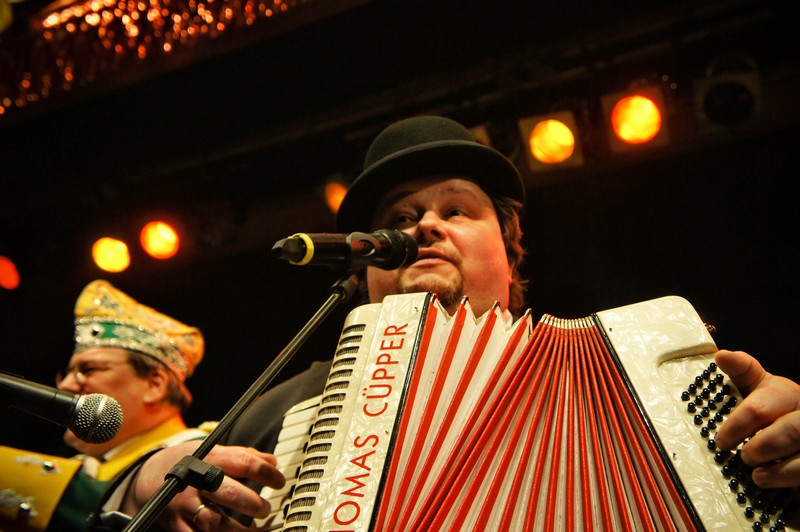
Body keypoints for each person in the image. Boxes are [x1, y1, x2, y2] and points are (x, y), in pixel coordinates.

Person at [110, 115, 800, 530]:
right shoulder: (293, 400)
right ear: (364, 265)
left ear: (510, 249)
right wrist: (147, 480)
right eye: (400, 219)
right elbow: (130, 490)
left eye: (456, 210)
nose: (426, 227)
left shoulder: (633, 372)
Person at [0, 280, 210, 531]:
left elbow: (97, 506)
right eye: (67, 373)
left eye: (88, 369)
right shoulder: (90, 467)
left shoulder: (204, 451)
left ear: (155, 384)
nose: (65, 385)